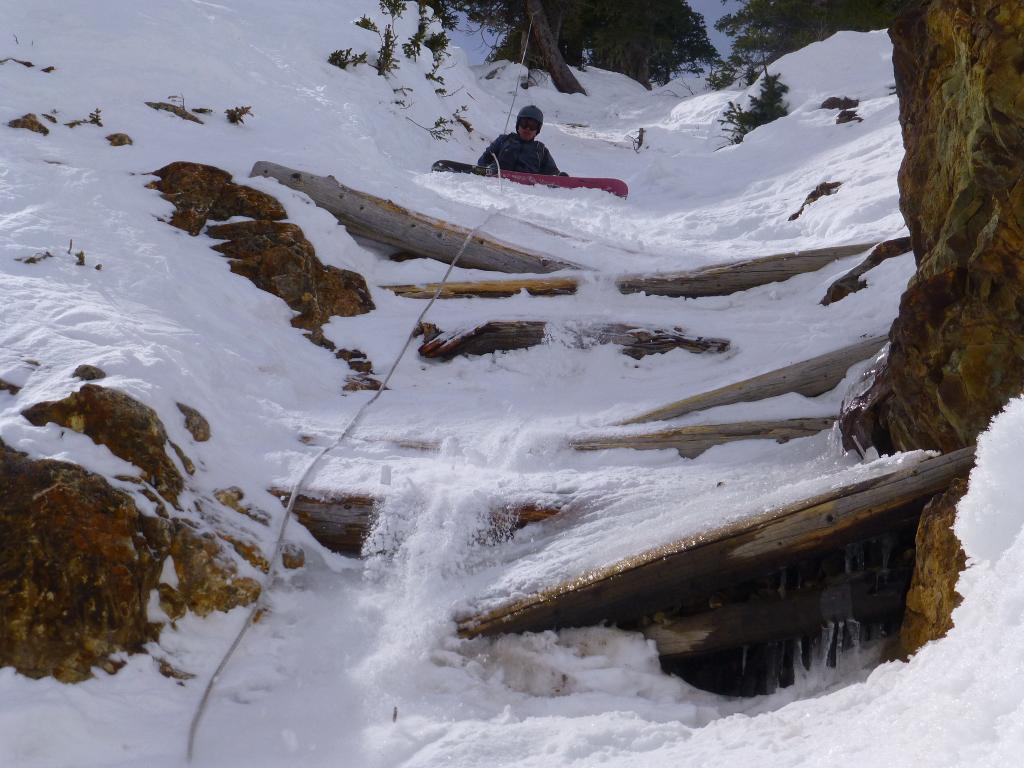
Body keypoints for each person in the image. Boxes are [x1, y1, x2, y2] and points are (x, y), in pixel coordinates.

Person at [477, 105, 566, 176]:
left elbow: (552, 174)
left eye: (532, 126)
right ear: (518, 125)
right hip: (499, 184)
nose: (527, 129)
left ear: (537, 131)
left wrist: (560, 177)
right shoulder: (504, 140)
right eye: (524, 123)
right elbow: (483, 160)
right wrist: (489, 169)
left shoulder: (541, 150)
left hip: (527, 192)